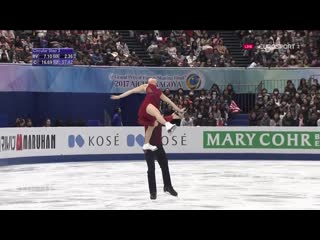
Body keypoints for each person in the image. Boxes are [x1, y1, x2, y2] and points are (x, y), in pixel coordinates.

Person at [111, 78, 185, 151]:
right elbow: (132, 91)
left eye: (154, 79)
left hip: (151, 112)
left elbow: (169, 101)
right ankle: (168, 125)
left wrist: (179, 110)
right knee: (157, 112)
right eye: (151, 79)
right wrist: (119, 96)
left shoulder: (159, 92)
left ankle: (146, 144)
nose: (153, 79)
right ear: (150, 82)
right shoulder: (146, 86)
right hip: (146, 107)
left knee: (152, 125)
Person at [144, 112, 181, 200]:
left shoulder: (160, 119)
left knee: (165, 166)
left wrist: (172, 116)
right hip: (149, 146)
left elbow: (165, 119)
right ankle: (153, 192)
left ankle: (168, 186)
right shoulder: (148, 120)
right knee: (151, 169)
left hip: (159, 146)